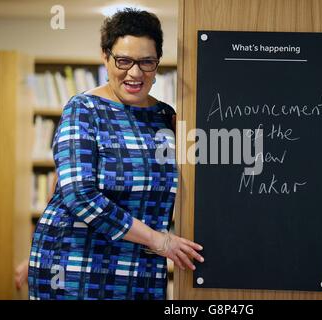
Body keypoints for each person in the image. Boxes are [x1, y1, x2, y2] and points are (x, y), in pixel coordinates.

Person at [28, 8, 204, 300]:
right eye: (124, 61)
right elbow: (79, 195)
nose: (135, 73)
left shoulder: (165, 117)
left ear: (157, 62)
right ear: (105, 57)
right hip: (75, 268)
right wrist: (160, 241)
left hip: (142, 271)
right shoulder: (84, 109)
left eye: (147, 62)